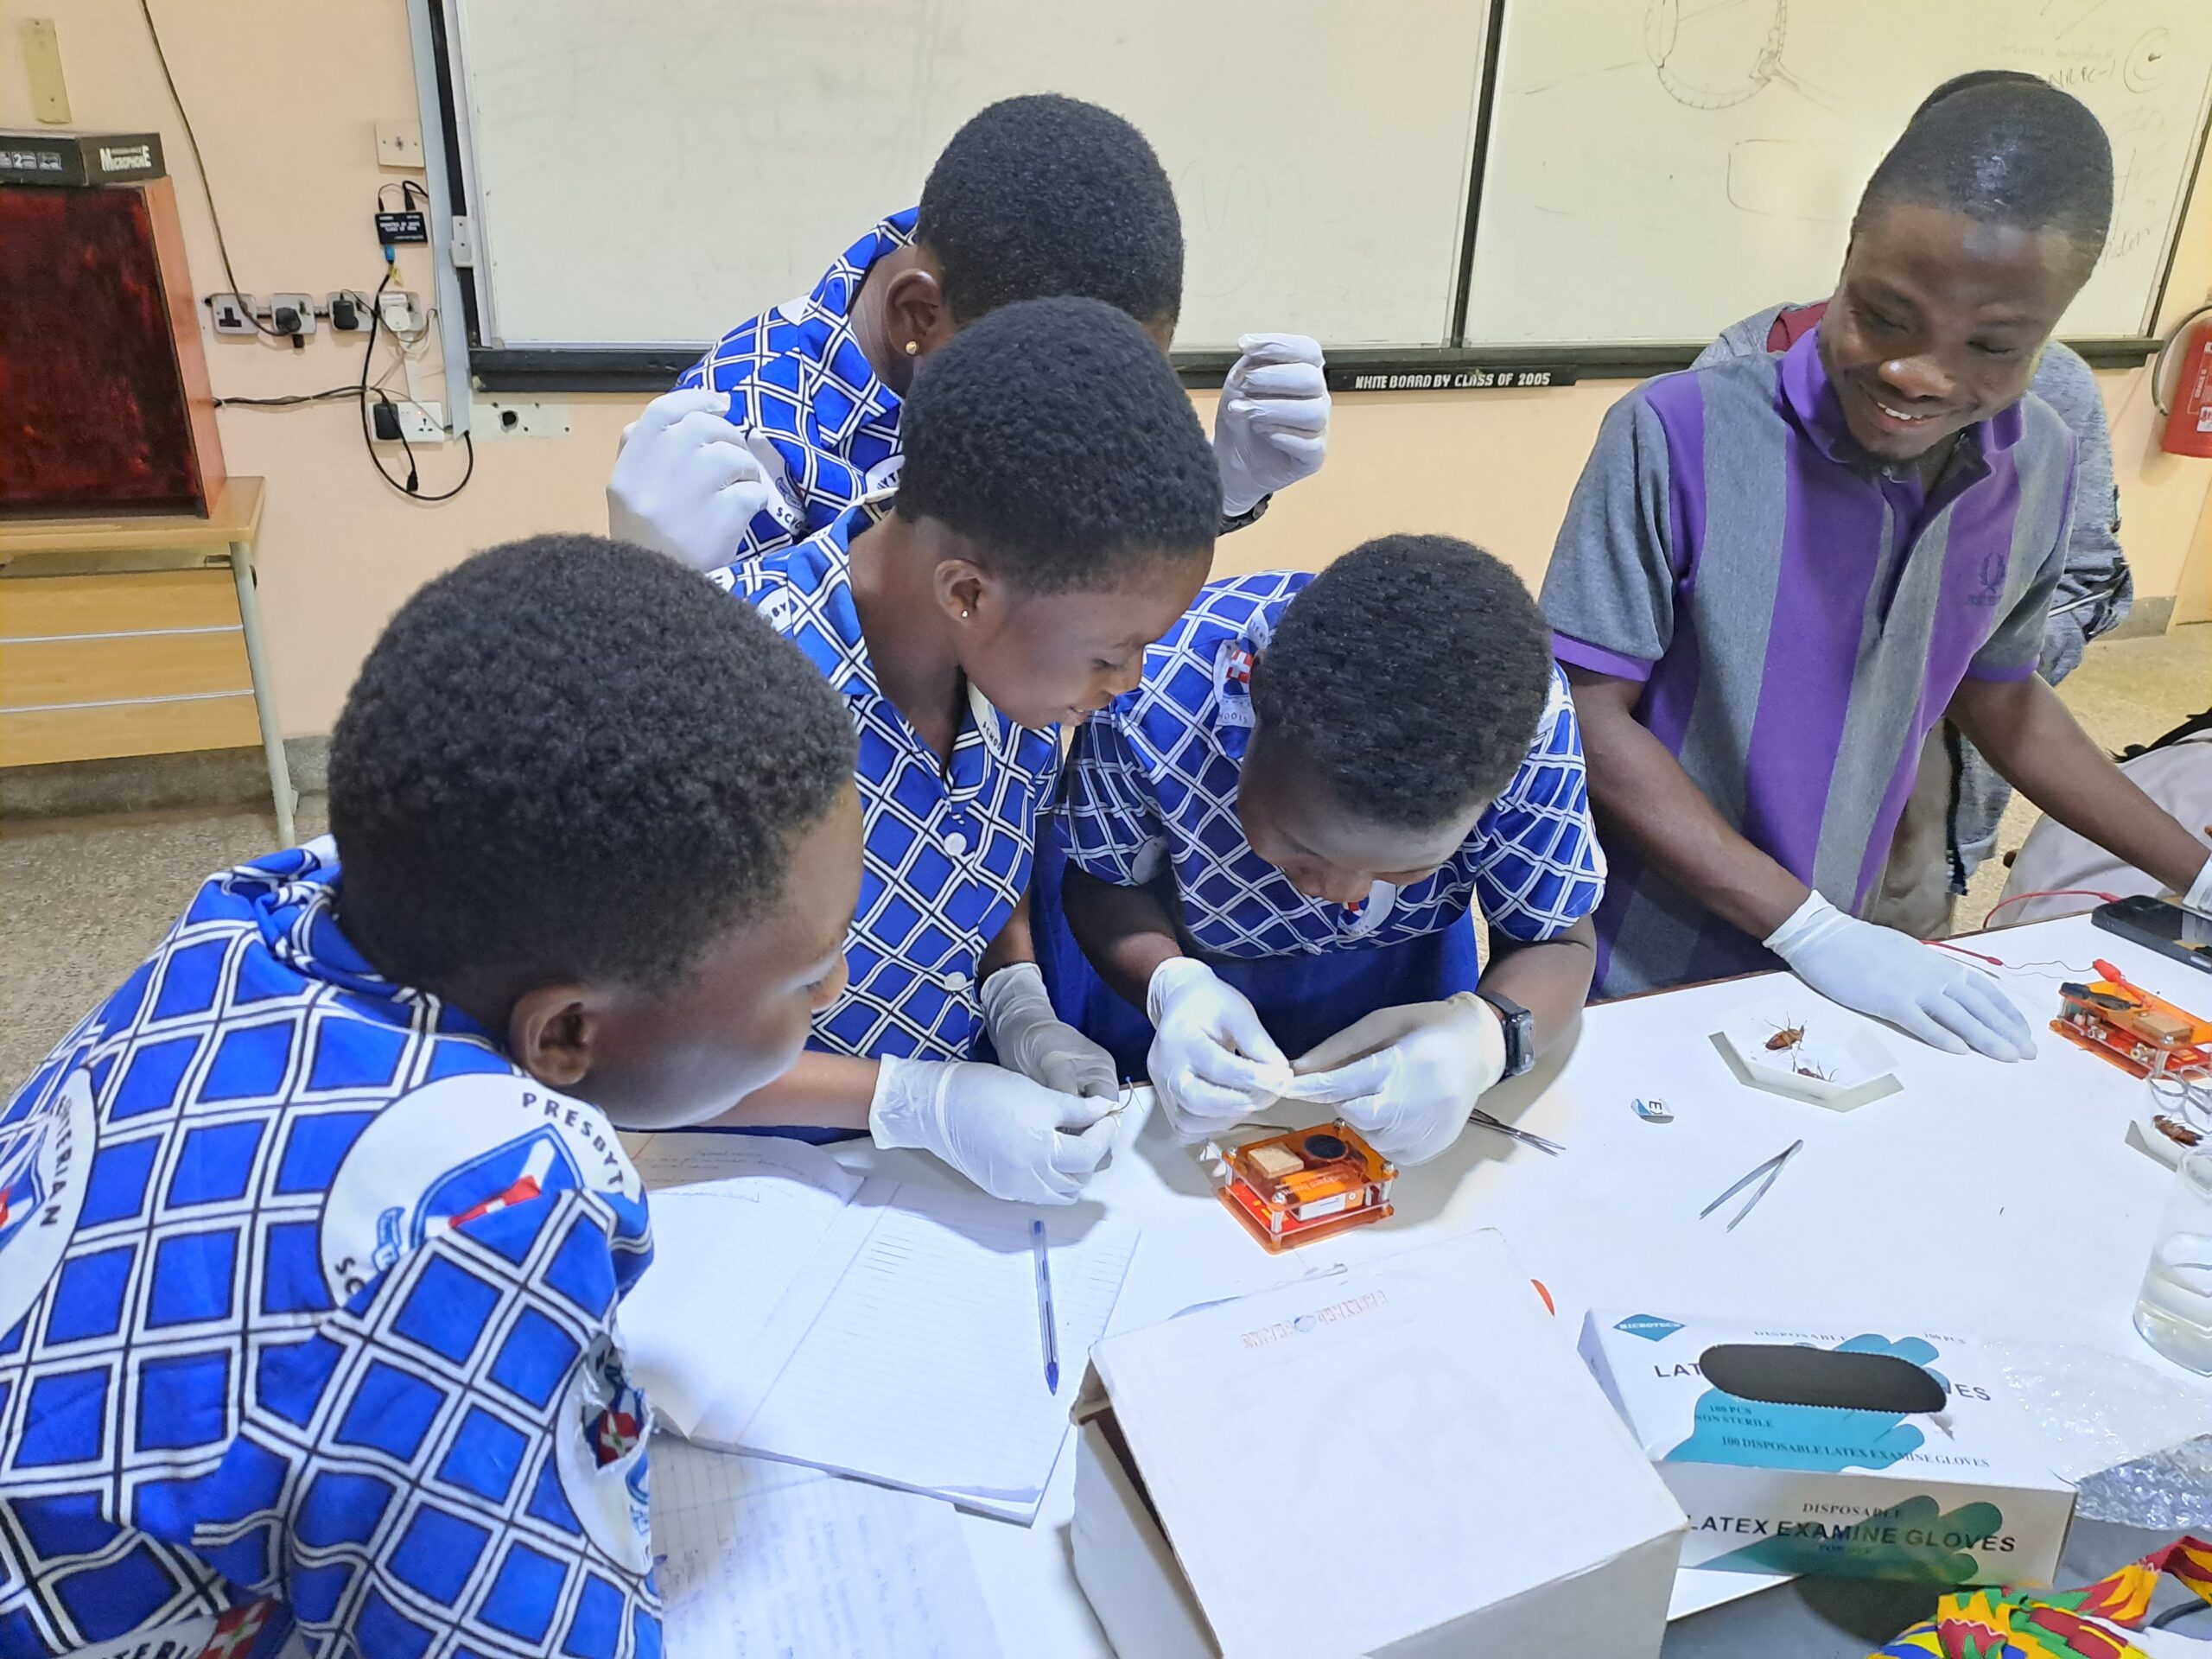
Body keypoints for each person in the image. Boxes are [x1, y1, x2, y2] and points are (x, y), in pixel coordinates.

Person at [0, 537, 861, 1657]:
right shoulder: (479, 1210)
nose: (840, 987)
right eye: (806, 975)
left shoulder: (259, 907)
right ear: (563, 1035)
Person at [1542, 77, 2212, 1059]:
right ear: (1848, 250)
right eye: (1885, 315)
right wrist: (1806, 927)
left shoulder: (2038, 465)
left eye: (1992, 346)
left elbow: (2005, 698)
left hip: (1853, 945)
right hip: (1636, 957)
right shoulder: (1676, 432)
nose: (1921, 374)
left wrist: (2195, 874)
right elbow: (1588, 718)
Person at [696, 296, 1224, 1202]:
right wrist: (917, 1101)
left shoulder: (1020, 675)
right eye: (1112, 653)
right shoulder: (727, 683)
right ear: (969, 594)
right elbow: (636, 1048)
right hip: (740, 1173)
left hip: (942, 1170)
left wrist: (1017, 1003)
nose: (1131, 680)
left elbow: (972, 855)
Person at [1694, 68, 2133, 939]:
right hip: (1740, 823)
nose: (1925, 374)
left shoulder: (2054, 410)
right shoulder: (1737, 374)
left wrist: (1950, 652)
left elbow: (2079, 583)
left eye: (1995, 344)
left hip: (1926, 799)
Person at [1044, 536, 1604, 1166]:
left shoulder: (1525, 726)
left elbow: (1557, 940)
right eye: (1302, 849)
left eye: (1405, 870)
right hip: (1168, 979)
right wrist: (1171, 988)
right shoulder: (1152, 692)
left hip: (1402, 990)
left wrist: (1487, 1038)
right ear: (1254, 713)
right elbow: (1103, 882)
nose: (1342, 893)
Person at [607, 93, 1328, 573]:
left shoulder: (998, 284)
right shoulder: (748, 445)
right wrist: (663, 606)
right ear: (916, 316)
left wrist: (1221, 492)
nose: (1092, 427)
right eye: (1060, 399)